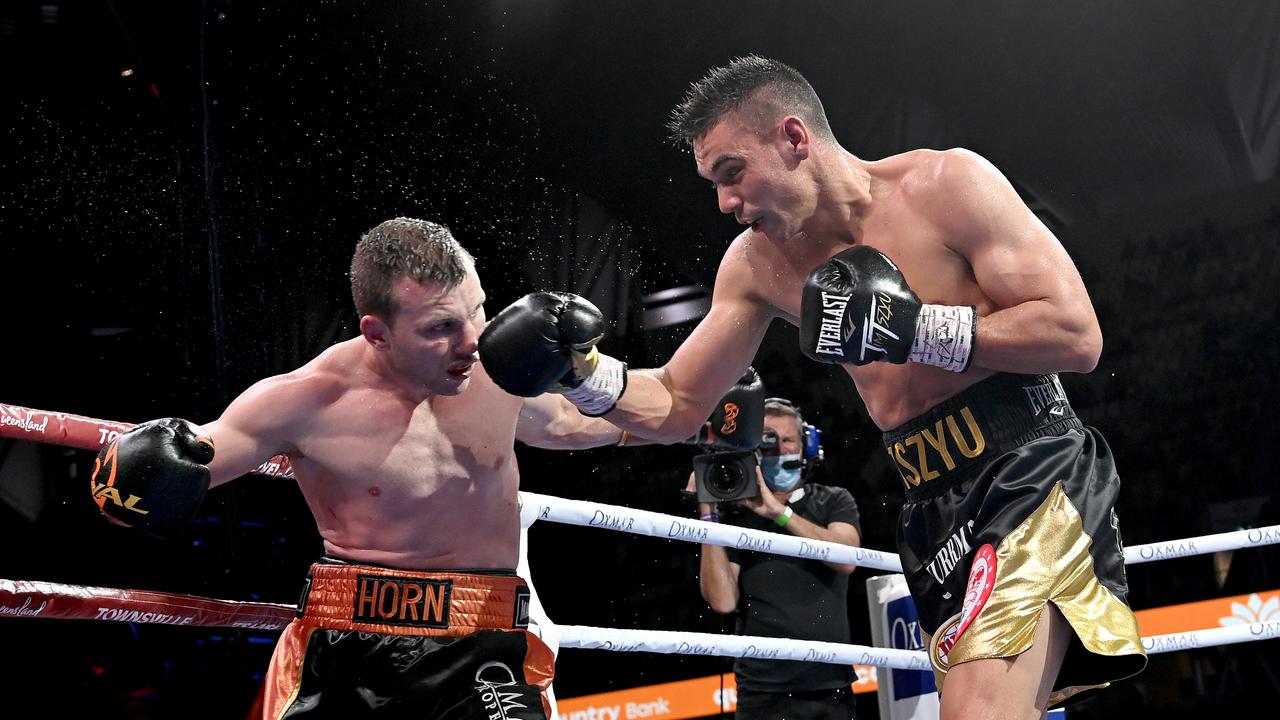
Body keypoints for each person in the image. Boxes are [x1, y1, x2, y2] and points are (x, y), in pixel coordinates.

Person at [478, 55, 1147, 718]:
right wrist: (586, 372)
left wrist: (914, 330)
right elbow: (680, 403)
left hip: (1029, 468)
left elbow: (1075, 336)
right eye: (713, 183)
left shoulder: (948, 185)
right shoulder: (756, 266)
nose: (726, 204)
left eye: (732, 174)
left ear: (795, 139)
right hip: (929, 502)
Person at [89, 217, 630, 719]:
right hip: (348, 638)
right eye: (441, 327)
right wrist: (145, 474)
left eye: (477, 310)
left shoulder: (500, 367)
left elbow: (568, 424)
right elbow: (143, 492)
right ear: (377, 333)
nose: (471, 341)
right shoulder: (306, 401)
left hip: (485, 636)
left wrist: (669, 409)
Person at [693, 397, 861, 720]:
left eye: (788, 440)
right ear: (755, 449)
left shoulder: (833, 501)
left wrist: (779, 513)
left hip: (830, 685)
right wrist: (708, 510)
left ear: (806, 447)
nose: (781, 449)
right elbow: (723, 601)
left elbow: (847, 558)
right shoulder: (735, 516)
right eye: (769, 441)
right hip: (761, 693)